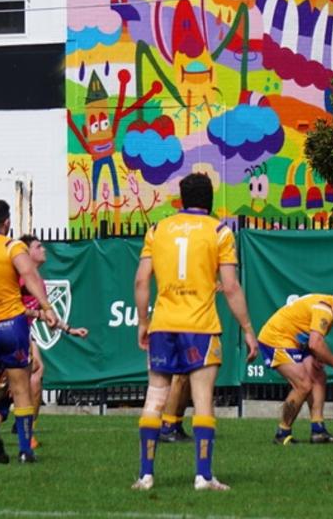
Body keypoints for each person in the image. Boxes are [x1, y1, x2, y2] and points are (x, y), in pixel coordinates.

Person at [132, 172, 259, 492]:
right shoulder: (219, 231)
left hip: (163, 326)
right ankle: (203, 476)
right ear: (210, 199)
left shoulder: (158, 229)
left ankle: (145, 475)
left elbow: (140, 280)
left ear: (181, 199)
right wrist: (247, 329)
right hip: (200, 328)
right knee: (203, 402)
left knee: (155, 399)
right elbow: (230, 287)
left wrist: (143, 322)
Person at [0, 199, 58, 465]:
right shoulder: (11, 245)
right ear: (6, 223)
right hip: (12, 324)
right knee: (21, 387)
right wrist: (47, 307)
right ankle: (26, 450)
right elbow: (29, 275)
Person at [258, 279, 333, 445]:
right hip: (275, 339)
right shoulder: (325, 309)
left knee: (318, 376)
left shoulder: (330, 308)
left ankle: (318, 431)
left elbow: (311, 339)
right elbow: (315, 343)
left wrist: (317, 357)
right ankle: (282, 433)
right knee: (303, 384)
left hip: (292, 340)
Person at [17, 234, 90, 446]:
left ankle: (28, 428)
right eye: (39, 246)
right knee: (32, 372)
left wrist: (69, 329)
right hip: (11, 331)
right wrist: (39, 315)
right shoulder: (20, 276)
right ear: (27, 252)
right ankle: (22, 423)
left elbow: (45, 312)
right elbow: (14, 308)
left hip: (24, 333)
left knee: (36, 373)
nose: (44, 249)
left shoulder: (37, 279)